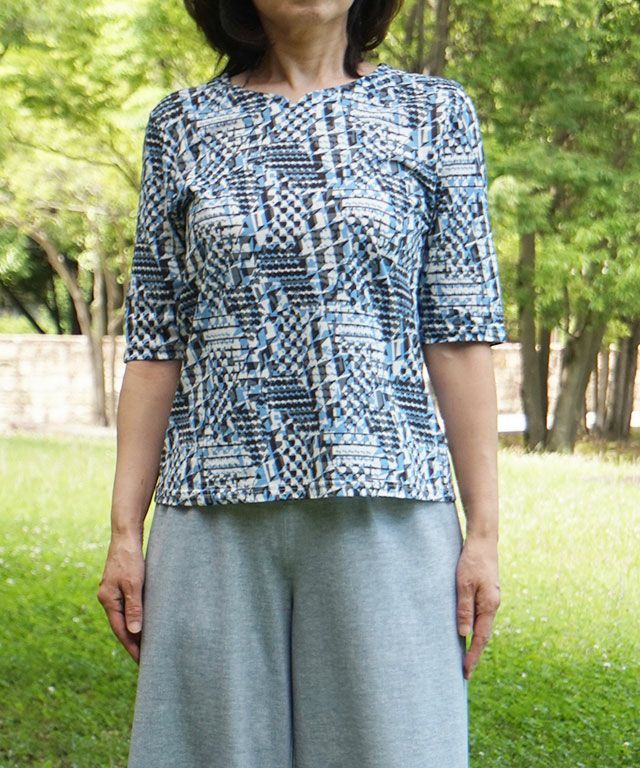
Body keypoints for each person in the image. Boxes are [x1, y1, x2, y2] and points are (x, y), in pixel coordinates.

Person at [97, 1, 507, 766]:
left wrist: (482, 534)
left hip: (387, 507)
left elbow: (459, 334)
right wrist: (125, 533)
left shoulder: (433, 114)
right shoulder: (182, 125)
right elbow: (155, 346)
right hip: (211, 515)